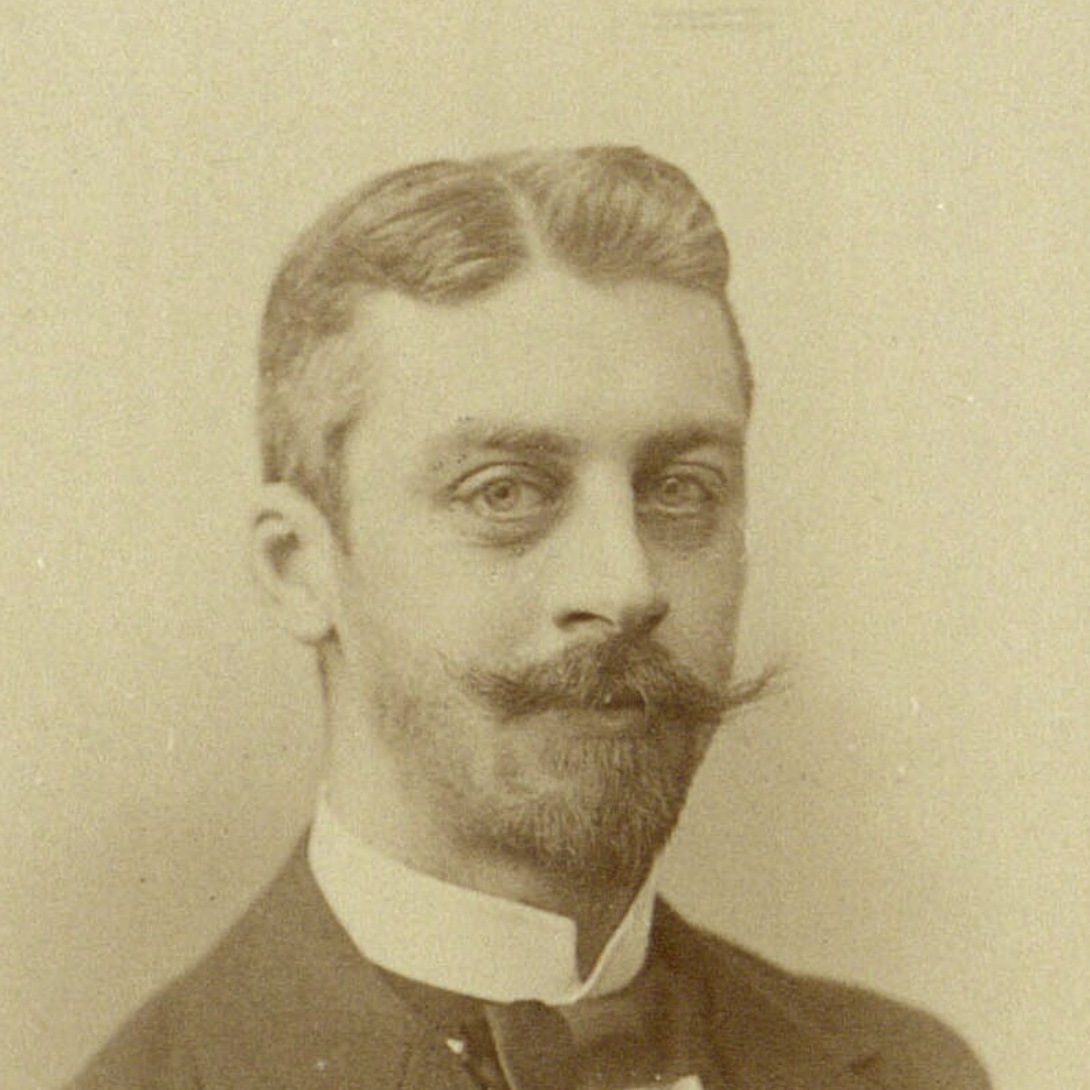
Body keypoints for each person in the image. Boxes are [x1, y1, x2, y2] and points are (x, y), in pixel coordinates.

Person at [68, 146, 990, 1089]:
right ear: (299, 568)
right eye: (504, 492)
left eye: (681, 489)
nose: (627, 586)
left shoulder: (918, 1074)